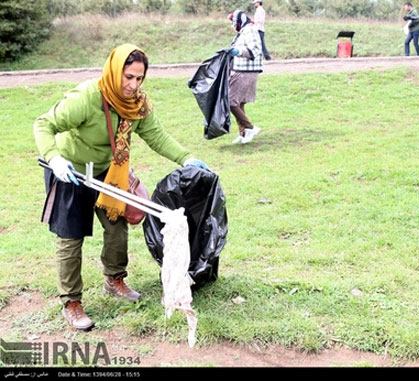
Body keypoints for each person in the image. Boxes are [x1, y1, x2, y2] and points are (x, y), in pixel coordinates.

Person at [33, 43, 208, 331]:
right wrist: (55, 159)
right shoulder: (88, 97)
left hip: (108, 171)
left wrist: (187, 159)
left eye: (139, 78)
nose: (133, 85)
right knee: (70, 238)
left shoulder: (137, 103)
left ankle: (114, 280)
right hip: (71, 171)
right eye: (128, 77)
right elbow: (43, 124)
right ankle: (72, 302)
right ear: (116, 71)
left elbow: (157, 136)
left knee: (117, 226)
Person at [227, 10, 263, 144]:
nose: (232, 26)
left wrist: (238, 52)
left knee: (230, 101)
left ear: (239, 21)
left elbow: (255, 49)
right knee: (239, 103)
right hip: (240, 70)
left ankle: (250, 128)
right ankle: (243, 134)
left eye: (233, 22)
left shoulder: (250, 30)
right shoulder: (243, 31)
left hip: (245, 72)